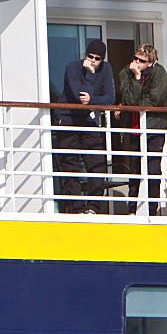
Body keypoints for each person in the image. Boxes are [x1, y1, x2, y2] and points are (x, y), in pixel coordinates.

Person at [53, 39, 116, 214]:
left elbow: (110, 98)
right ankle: (77, 209)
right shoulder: (72, 67)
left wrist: (92, 100)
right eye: (90, 56)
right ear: (85, 55)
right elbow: (79, 96)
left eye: (97, 58)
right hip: (67, 119)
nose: (93, 60)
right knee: (70, 164)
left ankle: (93, 207)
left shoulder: (107, 68)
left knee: (97, 164)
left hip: (87, 120)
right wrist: (90, 73)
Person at [117, 44, 167, 215]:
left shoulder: (159, 73)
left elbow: (154, 100)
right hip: (134, 128)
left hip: (153, 128)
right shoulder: (126, 73)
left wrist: (136, 86)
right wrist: (136, 78)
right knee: (134, 170)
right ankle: (131, 210)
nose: (137, 63)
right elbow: (130, 99)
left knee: (153, 170)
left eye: (142, 60)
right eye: (136, 59)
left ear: (151, 62)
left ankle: (152, 211)